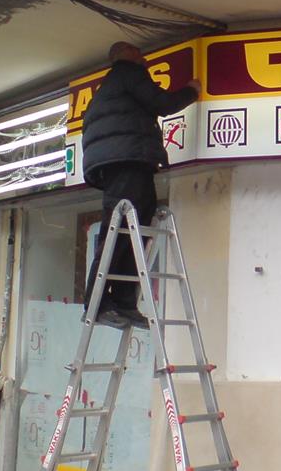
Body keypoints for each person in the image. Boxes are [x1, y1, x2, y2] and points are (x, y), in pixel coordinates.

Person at [82, 41, 200, 328]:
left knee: (135, 232)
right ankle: (96, 305)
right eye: (140, 54)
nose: (145, 59)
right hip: (127, 162)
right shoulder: (128, 73)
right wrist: (192, 91)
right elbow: (162, 103)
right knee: (120, 233)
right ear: (128, 56)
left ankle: (124, 302)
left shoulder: (108, 89)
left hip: (126, 162)